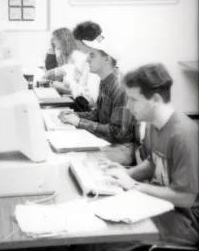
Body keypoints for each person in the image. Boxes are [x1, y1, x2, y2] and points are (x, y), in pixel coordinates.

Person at [75, 63, 198, 250]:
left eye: (133, 99)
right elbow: (153, 161)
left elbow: (186, 198)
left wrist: (134, 186)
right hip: (157, 204)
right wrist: (126, 174)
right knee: (93, 220)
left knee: (102, 239)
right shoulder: (151, 123)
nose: (127, 105)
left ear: (155, 99)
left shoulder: (183, 135)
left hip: (184, 220)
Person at [59, 36, 135, 166]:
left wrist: (79, 122)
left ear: (106, 59)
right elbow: (99, 114)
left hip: (122, 149)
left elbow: (118, 133)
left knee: (76, 159)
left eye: (92, 55)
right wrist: (76, 115)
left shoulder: (120, 88)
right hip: (108, 143)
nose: (87, 59)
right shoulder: (105, 81)